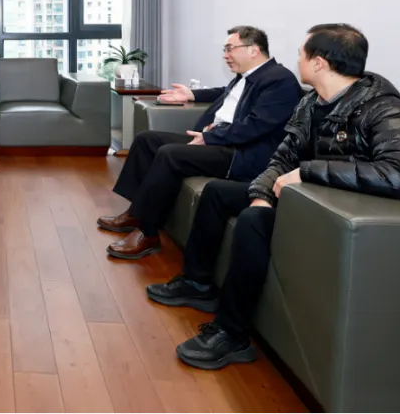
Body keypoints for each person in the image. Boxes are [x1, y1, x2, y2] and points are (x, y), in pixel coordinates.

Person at [147, 24, 400, 370]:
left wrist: (309, 172)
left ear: (319, 63)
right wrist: (262, 193)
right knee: (219, 193)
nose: (297, 59)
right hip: (305, 194)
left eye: (301, 53)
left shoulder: (383, 107)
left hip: (336, 207)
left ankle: (232, 334)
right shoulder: (311, 103)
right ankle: (196, 282)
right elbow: (283, 158)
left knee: (253, 220)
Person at [101, 26, 302, 260]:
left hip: (240, 152)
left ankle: (148, 233)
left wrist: (210, 137)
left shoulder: (279, 80)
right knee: (146, 140)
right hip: (221, 141)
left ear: (253, 50)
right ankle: (136, 213)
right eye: (224, 50)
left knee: (170, 154)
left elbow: (256, 126)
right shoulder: (249, 76)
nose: (225, 55)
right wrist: (192, 95)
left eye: (230, 49)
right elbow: (225, 93)